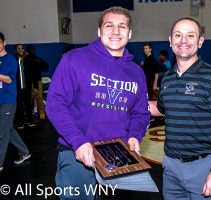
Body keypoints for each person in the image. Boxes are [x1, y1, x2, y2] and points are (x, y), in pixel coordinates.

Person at [46, 7, 150, 199]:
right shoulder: (75, 59)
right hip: (76, 152)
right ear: (99, 31)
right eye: (109, 25)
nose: (116, 31)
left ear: (130, 33)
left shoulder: (136, 72)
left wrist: (135, 136)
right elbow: (55, 105)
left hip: (119, 156)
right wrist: (78, 141)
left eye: (122, 26)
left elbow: (140, 113)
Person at [149, 18, 211, 199]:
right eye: (178, 35)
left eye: (190, 35)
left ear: (200, 41)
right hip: (171, 167)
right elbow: (161, 108)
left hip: (204, 167)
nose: (183, 40)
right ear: (170, 40)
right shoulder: (168, 79)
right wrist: (125, 103)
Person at [0, 32, 31, 172]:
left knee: (2, 131)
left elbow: (8, 79)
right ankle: (24, 152)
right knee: (8, 129)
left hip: (8, 100)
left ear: (4, 43)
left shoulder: (11, 60)